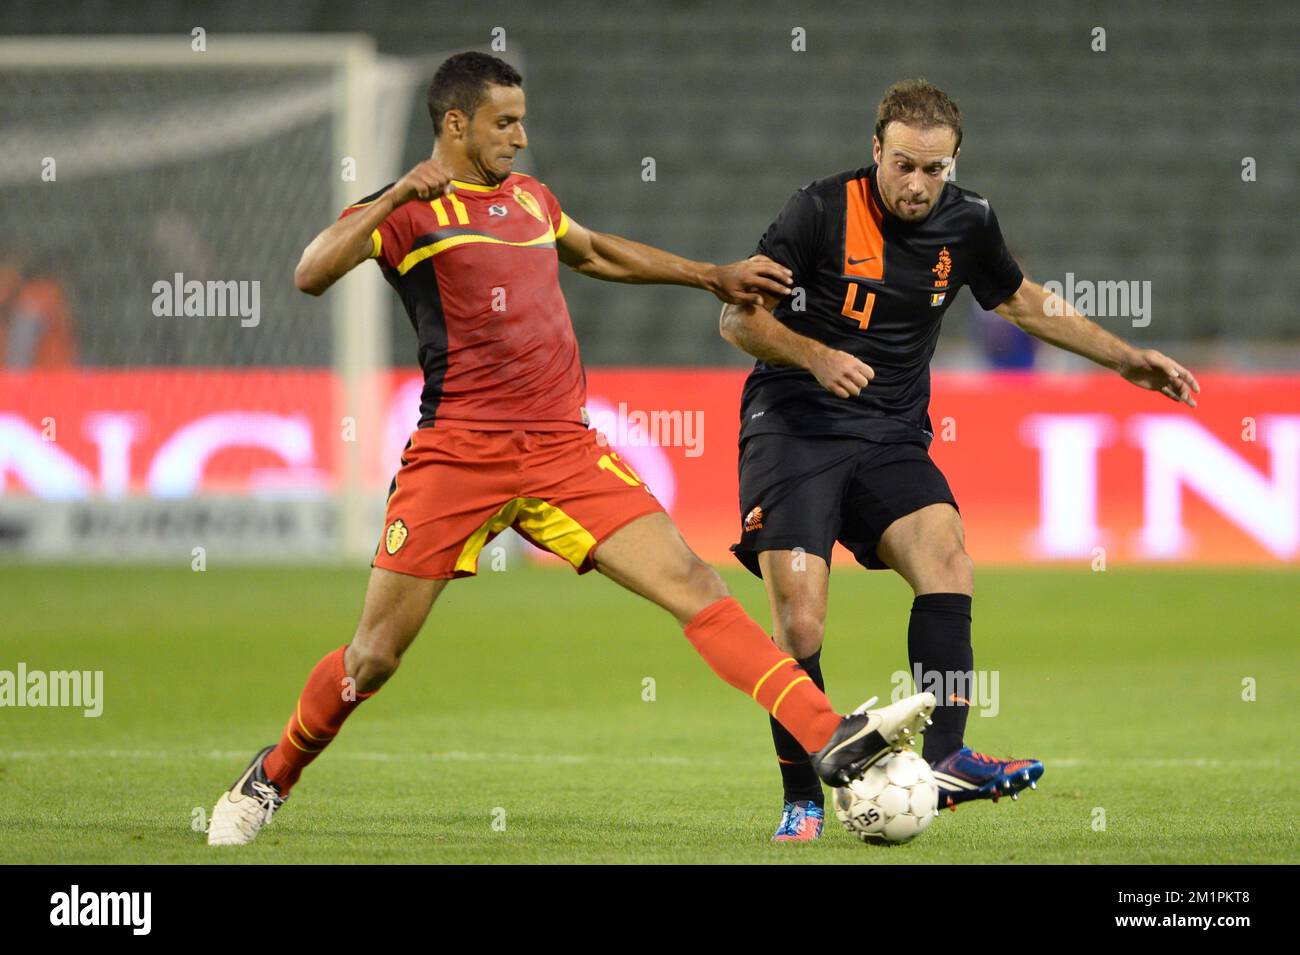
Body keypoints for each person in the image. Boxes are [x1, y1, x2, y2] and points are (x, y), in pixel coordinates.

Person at [206, 53, 935, 846]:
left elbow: (594, 252)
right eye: (504, 121)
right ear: (456, 124)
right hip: (459, 455)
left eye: (522, 118)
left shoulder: (531, 201)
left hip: (563, 449)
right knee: (374, 657)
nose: (521, 135)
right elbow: (310, 273)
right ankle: (271, 774)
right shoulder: (411, 210)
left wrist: (708, 275)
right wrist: (389, 197)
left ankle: (834, 736)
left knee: (696, 585)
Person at [720, 78, 1200, 841]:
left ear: (954, 163)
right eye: (904, 165)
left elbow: (1019, 300)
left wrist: (1125, 358)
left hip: (888, 430)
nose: (918, 185)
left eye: (934, 169)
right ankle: (802, 795)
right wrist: (814, 358)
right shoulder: (817, 210)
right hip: (794, 424)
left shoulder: (968, 219)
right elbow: (737, 318)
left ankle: (948, 757)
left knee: (947, 558)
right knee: (801, 616)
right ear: (875, 149)